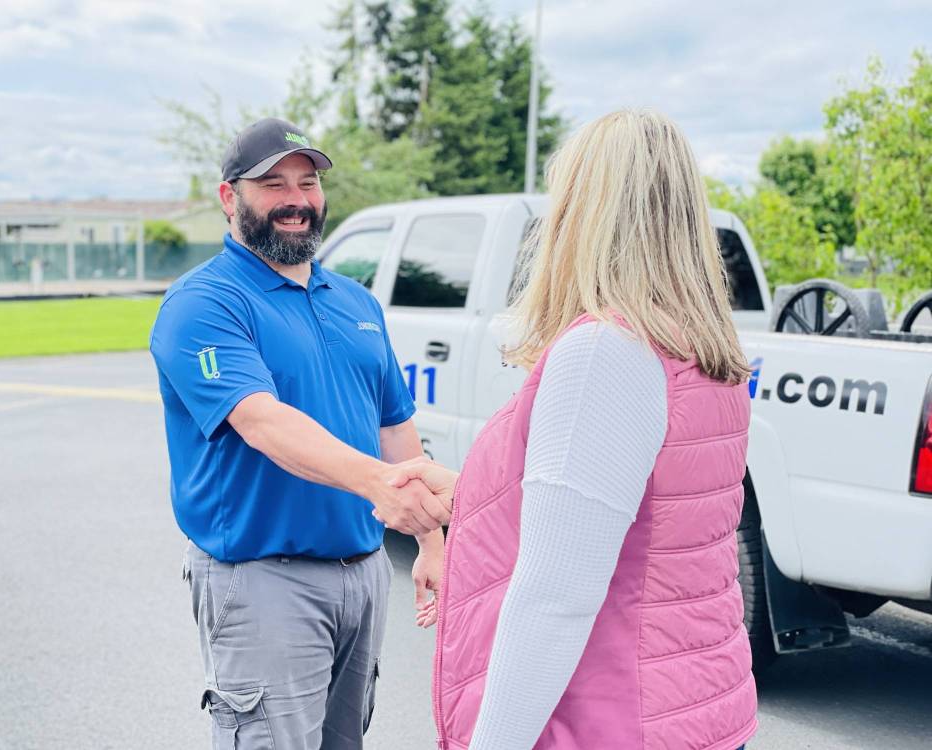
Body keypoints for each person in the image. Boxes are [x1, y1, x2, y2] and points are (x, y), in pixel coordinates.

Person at [387, 110, 758, 749]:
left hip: (612, 723)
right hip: (699, 713)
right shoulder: (699, 352)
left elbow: (556, 598)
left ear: (584, 212)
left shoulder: (605, 354)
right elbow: (647, 518)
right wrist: (468, 492)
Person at [149, 117, 449, 750]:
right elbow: (262, 421)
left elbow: (394, 426)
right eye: (273, 184)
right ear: (230, 198)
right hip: (264, 581)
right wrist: (380, 485)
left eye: (308, 183)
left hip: (362, 575)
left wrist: (431, 540)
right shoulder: (204, 302)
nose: (296, 199)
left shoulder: (356, 303)